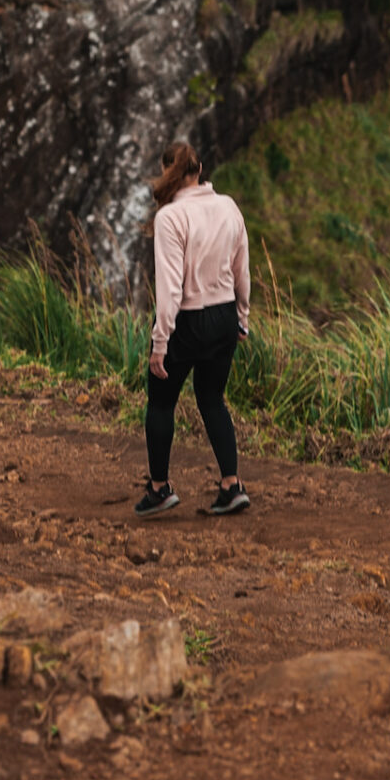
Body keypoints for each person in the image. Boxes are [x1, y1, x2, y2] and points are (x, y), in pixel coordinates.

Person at [136, 141, 251, 519]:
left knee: (161, 400)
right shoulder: (228, 206)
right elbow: (241, 270)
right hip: (224, 315)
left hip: (188, 319)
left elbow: (169, 288)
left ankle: (158, 488)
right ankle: (231, 485)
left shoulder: (170, 217)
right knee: (212, 398)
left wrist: (159, 341)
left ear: (169, 172)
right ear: (199, 168)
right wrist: (242, 318)